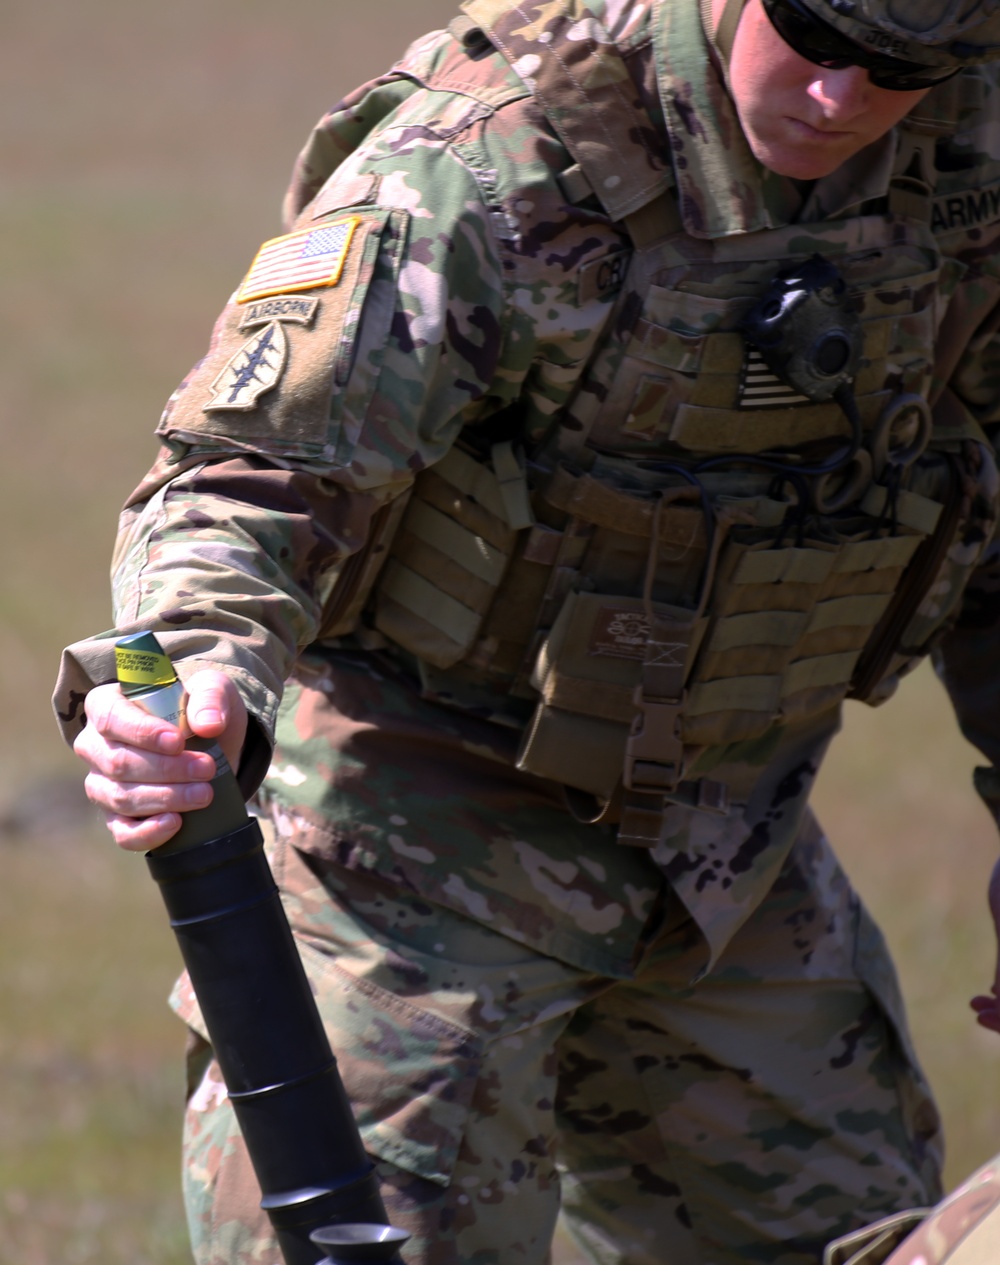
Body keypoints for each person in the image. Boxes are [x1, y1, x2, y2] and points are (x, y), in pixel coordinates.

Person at [52, 0, 1000, 1262]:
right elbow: (248, 473)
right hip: (410, 835)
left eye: (897, 68)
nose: (840, 96)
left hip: (725, 848)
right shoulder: (496, 158)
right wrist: (202, 664)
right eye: (816, 38)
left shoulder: (967, 159)